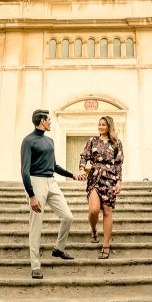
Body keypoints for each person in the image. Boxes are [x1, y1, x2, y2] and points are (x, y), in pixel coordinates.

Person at [20, 109, 76, 279]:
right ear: (42, 121)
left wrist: (72, 175)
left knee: (68, 217)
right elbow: (24, 170)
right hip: (36, 183)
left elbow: (54, 165)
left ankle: (58, 249)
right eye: (49, 120)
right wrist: (31, 195)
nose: (51, 122)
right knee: (36, 225)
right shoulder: (28, 141)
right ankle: (35, 266)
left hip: (52, 182)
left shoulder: (49, 140)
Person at [77, 116, 123, 259]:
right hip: (95, 177)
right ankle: (93, 229)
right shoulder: (92, 141)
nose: (101, 127)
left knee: (108, 211)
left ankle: (106, 245)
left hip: (110, 179)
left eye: (103, 125)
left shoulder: (117, 143)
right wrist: (81, 169)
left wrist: (119, 182)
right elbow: (84, 156)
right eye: (99, 124)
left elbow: (118, 164)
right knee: (94, 210)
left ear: (109, 126)